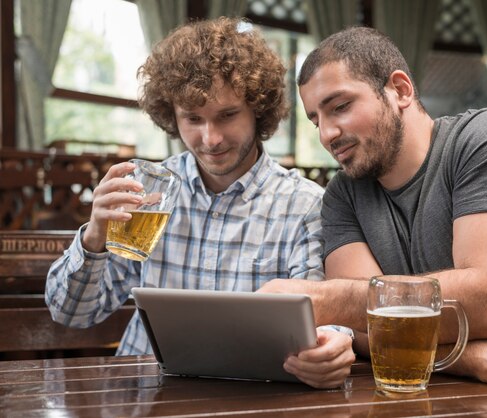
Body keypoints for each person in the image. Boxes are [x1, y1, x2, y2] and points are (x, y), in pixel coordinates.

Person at [260, 26, 487, 416]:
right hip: (453, 402)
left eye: (340, 107)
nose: (328, 134)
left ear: (400, 90)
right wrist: (485, 358)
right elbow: (370, 331)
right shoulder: (343, 195)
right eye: (316, 120)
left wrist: (322, 299)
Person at [45, 17, 354, 389]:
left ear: (258, 110)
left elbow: (320, 319)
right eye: (193, 118)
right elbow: (71, 313)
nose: (211, 138)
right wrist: (95, 237)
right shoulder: (148, 194)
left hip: (253, 395)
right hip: (143, 391)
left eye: (227, 115)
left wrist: (335, 343)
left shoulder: (303, 206)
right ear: (172, 117)